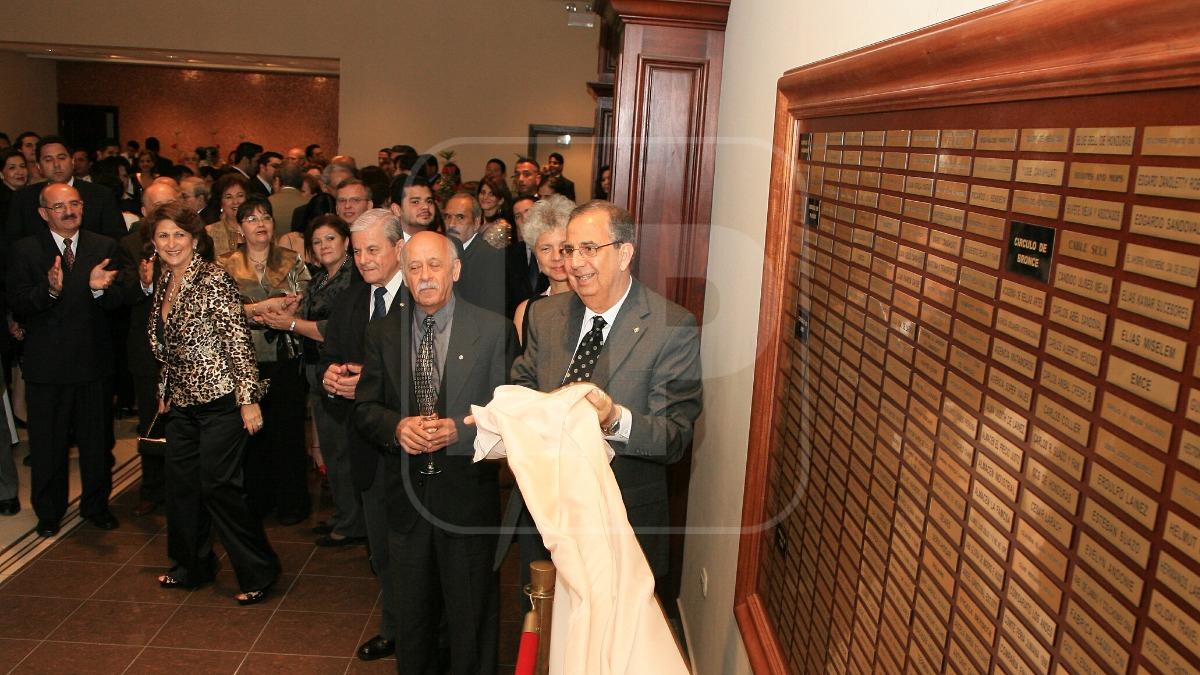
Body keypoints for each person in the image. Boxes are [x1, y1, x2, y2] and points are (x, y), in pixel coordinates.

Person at [496, 200, 703, 589]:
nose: (574, 262)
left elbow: (674, 438)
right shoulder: (546, 315)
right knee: (541, 633)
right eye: (570, 250)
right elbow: (521, 386)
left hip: (619, 526)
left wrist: (613, 419)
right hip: (544, 515)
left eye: (589, 248)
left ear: (625, 253)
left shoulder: (671, 327)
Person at [355, 230, 515, 675]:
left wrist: (460, 433)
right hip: (405, 503)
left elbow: (510, 413)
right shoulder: (383, 332)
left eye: (435, 265)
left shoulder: (493, 331)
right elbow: (365, 408)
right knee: (413, 617)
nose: (424, 276)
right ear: (403, 275)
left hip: (466, 501)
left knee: (471, 617)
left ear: (456, 270)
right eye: (414, 267)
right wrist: (396, 427)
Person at [146, 202, 280, 604]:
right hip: (183, 402)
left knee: (218, 484)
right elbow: (166, 345)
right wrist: (166, 391)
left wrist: (247, 399)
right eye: (163, 235)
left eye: (179, 235)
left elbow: (236, 338)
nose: (172, 243)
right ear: (153, 242)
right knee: (182, 486)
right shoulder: (162, 280)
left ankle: (260, 570)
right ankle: (192, 566)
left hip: (223, 398)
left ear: (194, 239)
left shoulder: (212, 278)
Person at [6, 183, 125, 537]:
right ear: (44, 213)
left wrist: (100, 288)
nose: (68, 211)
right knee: (48, 446)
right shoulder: (25, 250)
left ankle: (96, 506)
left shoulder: (103, 246)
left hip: (94, 363)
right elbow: (19, 302)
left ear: (83, 207)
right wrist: (50, 290)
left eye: (74, 204)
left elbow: (120, 301)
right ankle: (49, 512)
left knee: (96, 444)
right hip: (48, 368)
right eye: (59, 206)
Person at [319, 208, 407, 661]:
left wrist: (367, 385)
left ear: (399, 247)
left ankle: (428, 632)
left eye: (374, 249)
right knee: (382, 550)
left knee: (418, 551)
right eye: (357, 251)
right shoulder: (352, 301)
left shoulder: (424, 293)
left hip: (415, 446)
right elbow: (332, 358)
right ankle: (393, 627)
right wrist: (332, 381)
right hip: (369, 447)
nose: (365, 259)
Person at [260, 215, 362, 546]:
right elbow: (309, 313)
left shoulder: (353, 278)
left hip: (339, 372)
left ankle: (352, 523)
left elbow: (333, 329)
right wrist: (291, 308)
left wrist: (290, 325)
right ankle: (344, 513)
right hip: (317, 370)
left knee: (343, 450)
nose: (323, 246)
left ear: (346, 241)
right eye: (317, 242)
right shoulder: (320, 278)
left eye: (330, 239)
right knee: (332, 449)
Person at [218, 196, 311, 524]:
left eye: (265, 218)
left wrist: (280, 308)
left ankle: (292, 504)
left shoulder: (291, 259)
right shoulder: (225, 262)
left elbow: (304, 300)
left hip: (285, 353)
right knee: (251, 435)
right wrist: (263, 309)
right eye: (252, 219)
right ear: (240, 228)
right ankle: (256, 501)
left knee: (287, 432)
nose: (260, 224)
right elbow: (222, 310)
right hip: (244, 358)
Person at [118, 181, 182, 517]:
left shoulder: (192, 241)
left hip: (188, 352)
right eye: (155, 208)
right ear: (144, 212)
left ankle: (184, 488)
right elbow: (120, 295)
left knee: (185, 424)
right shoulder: (130, 245)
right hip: (147, 350)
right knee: (151, 422)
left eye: (169, 205)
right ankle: (152, 489)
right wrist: (144, 283)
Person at [5, 136, 127, 245]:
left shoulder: (101, 195)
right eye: (48, 160)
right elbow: (13, 243)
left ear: (72, 161)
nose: (56, 164)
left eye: (61, 158)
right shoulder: (23, 198)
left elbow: (117, 239)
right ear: (38, 166)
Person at [511, 195, 574, 343]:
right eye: (546, 249)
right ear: (535, 255)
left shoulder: (594, 302)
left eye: (564, 247)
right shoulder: (525, 311)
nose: (556, 257)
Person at [205, 173, 249, 257]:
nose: (235, 201)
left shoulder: (258, 227)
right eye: (229, 197)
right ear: (221, 202)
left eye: (240, 195)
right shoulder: (210, 232)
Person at [476, 176, 514, 248]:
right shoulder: (476, 220)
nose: (485, 197)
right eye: (483, 192)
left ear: (501, 200)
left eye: (491, 194)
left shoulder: (502, 226)